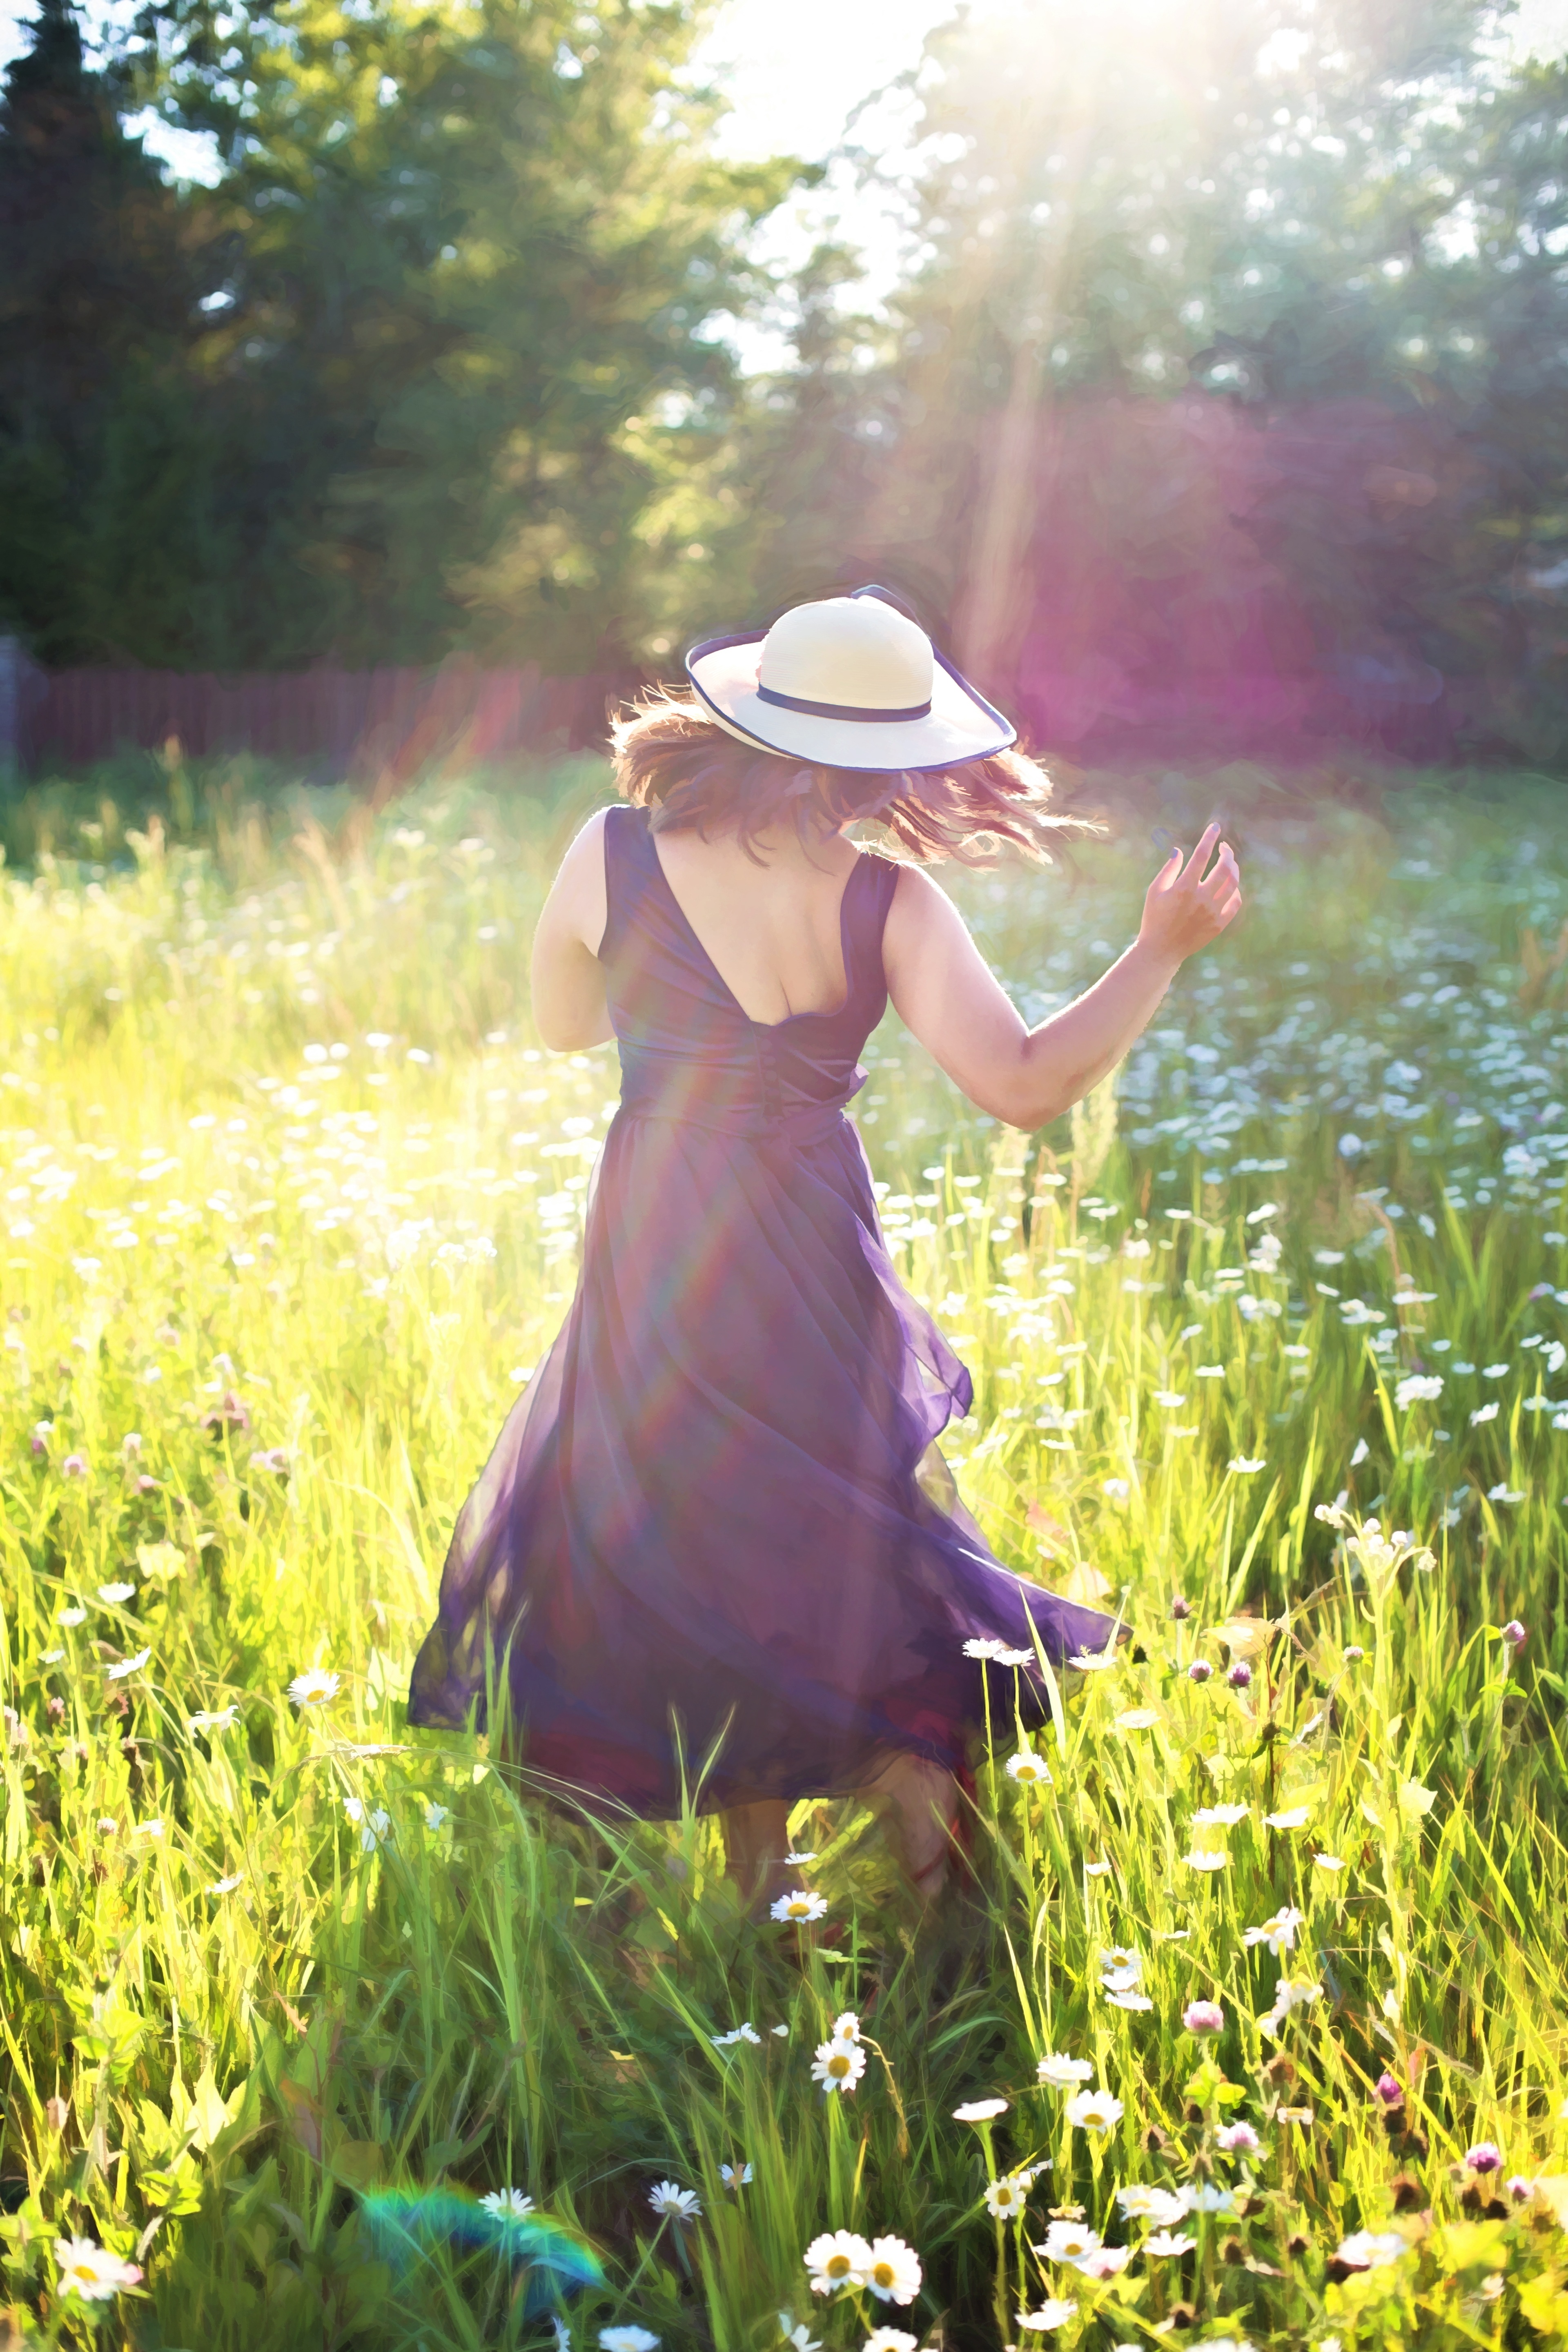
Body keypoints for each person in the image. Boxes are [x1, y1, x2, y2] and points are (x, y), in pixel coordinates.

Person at [406, 585, 1242, 1911]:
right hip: (811, 1242)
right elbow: (1024, 1086)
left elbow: (565, 1029)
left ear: (751, 721)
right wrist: (1154, 954)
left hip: (662, 1240)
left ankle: (762, 1887)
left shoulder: (612, 850)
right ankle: (924, 1874)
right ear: (878, 760)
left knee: (696, 1535)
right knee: (836, 1535)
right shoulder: (889, 902)